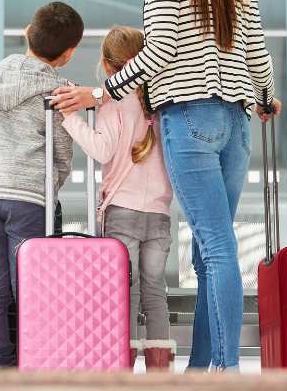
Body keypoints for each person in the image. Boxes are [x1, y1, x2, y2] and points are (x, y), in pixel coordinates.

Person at [52, 0, 281, 371]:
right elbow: (258, 55)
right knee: (209, 248)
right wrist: (264, 99)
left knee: (215, 246)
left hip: (191, 116)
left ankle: (224, 369)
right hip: (237, 122)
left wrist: (100, 93)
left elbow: (159, 50)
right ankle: (202, 367)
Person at [0, 1, 82, 368]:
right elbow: (62, 154)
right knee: (30, 289)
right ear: (68, 54)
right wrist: (51, 187)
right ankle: (33, 366)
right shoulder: (60, 89)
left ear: (29, 31)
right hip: (27, 196)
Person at [58, 25, 175, 371]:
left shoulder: (114, 101)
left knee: (126, 291)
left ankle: (121, 366)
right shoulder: (162, 101)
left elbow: (101, 148)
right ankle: (159, 371)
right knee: (155, 292)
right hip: (160, 212)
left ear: (108, 67)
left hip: (122, 210)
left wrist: (70, 118)